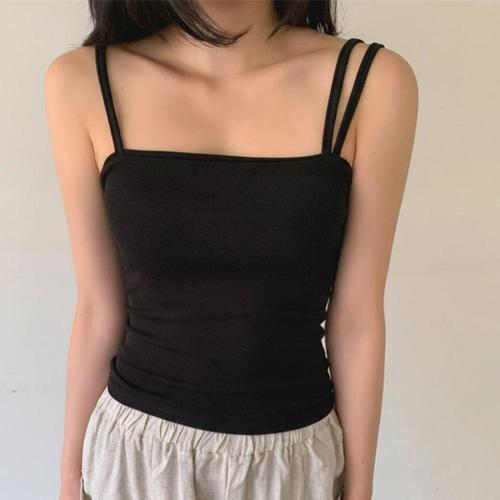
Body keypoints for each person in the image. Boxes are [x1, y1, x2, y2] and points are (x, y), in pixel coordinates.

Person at [44, 1, 418, 499]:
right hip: (135, 461)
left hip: (293, 464)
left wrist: (360, 487)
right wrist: (70, 480)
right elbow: (97, 310)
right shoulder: (81, 82)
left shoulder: (372, 84)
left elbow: (356, 319)